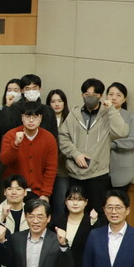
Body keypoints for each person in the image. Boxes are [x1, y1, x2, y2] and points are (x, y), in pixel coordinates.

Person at [58, 78, 128, 214]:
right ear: (82, 95)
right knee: (73, 213)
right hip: (75, 174)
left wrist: (111, 109)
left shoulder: (108, 114)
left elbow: (122, 132)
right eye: (87, 94)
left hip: (98, 175)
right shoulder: (74, 114)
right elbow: (63, 137)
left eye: (95, 95)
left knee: (97, 215)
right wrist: (75, 154)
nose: (90, 97)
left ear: (100, 96)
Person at [0, 102, 58, 199]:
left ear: (41, 118)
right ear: (22, 117)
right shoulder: (10, 135)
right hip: (14, 192)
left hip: (38, 192)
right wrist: (15, 144)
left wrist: (45, 194)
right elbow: (4, 160)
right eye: (27, 116)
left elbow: (51, 169)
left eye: (35, 117)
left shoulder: (49, 138)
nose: (31, 120)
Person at [106, 82, 134, 191]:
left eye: (118, 95)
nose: (114, 98)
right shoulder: (101, 114)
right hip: (100, 169)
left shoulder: (130, 116)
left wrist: (112, 144)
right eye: (111, 94)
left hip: (122, 169)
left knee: (119, 199)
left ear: (124, 99)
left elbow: (133, 141)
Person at [47, 89, 72, 220]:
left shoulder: (70, 120)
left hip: (63, 169)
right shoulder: (44, 119)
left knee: (60, 203)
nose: (56, 104)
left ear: (64, 103)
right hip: (46, 169)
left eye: (60, 101)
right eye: (53, 101)